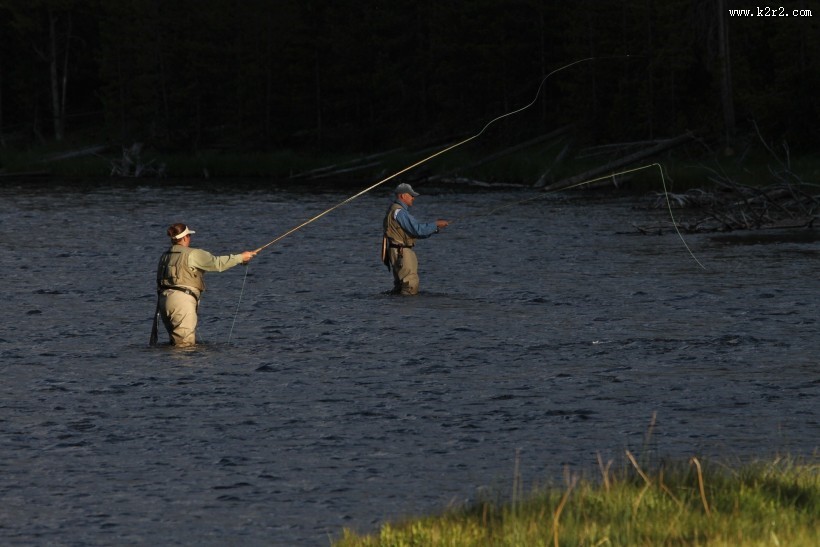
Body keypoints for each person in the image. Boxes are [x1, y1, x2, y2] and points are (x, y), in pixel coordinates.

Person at [151, 223, 256, 347]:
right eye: (189, 235)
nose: (190, 238)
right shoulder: (193, 254)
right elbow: (217, 264)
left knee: (175, 345)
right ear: (185, 238)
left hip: (164, 301)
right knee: (185, 347)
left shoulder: (164, 256)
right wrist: (240, 257)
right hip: (182, 302)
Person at [382, 183, 449, 295]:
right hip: (401, 252)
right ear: (403, 196)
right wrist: (436, 224)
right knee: (410, 286)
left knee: (400, 287)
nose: (413, 198)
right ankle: (408, 311)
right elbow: (417, 230)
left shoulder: (394, 210)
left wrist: (434, 228)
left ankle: (395, 309)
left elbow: (416, 232)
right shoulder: (400, 212)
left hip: (397, 251)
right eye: (411, 195)